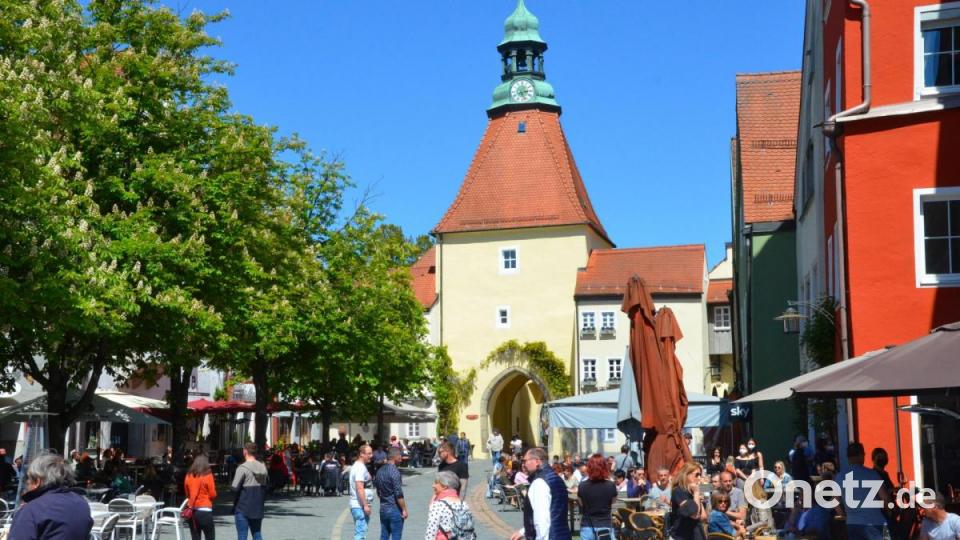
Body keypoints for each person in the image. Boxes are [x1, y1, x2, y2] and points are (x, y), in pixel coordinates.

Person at [8, 452, 93, 540]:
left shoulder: (31, 511)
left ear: (37, 481)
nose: (27, 482)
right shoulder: (81, 503)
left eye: (28, 478)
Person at [509, 447, 571, 540]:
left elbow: (542, 520)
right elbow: (553, 512)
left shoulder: (539, 482)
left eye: (525, 461)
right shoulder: (556, 478)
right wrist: (523, 531)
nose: (523, 465)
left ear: (537, 461)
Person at [839, 442, 891, 540]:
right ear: (861, 455)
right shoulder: (872, 474)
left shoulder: (840, 476)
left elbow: (834, 501)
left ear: (848, 457)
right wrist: (888, 511)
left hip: (853, 524)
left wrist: (846, 516)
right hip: (876, 522)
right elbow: (885, 498)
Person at [232, 442, 268, 540]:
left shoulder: (242, 468)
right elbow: (263, 485)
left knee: (242, 536)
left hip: (243, 507)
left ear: (245, 451)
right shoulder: (262, 467)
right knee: (257, 534)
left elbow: (234, 487)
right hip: (258, 507)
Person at [577, 454, 618, 540]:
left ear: (589, 468)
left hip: (587, 526)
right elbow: (613, 501)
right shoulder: (610, 485)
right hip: (605, 525)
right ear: (604, 467)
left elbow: (581, 503)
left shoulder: (582, 486)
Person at [424, 471, 474, 540]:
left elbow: (431, 532)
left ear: (444, 486)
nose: (433, 485)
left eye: (436, 483)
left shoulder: (437, 505)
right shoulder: (463, 504)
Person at [373, 447, 408, 540]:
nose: (401, 458)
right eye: (399, 455)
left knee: (384, 535)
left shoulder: (379, 471)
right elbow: (398, 493)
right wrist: (404, 509)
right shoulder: (394, 472)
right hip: (394, 508)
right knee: (396, 536)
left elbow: (378, 491)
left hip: (383, 508)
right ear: (394, 456)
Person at [669, 461, 707, 540]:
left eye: (700, 475)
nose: (699, 478)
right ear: (686, 475)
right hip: (680, 536)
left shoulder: (693, 493)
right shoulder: (678, 491)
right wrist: (696, 493)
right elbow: (694, 515)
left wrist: (697, 496)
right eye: (696, 475)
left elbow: (703, 517)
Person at [184, 453, 217, 540]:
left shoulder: (189, 475)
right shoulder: (208, 475)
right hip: (205, 509)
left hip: (192, 510)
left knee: (195, 537)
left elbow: (187, 493)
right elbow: (212, 494)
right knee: (210, 536)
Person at [350, 445, 375, 539]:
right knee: (360, 535)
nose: (371, 455)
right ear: (361, 454)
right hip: (359, 505)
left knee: (360, 532)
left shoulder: (359, 466)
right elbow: (359, 487)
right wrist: (365, 505)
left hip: (358, 505)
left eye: (371, 453)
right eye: (369, 453)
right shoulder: (359, 468)